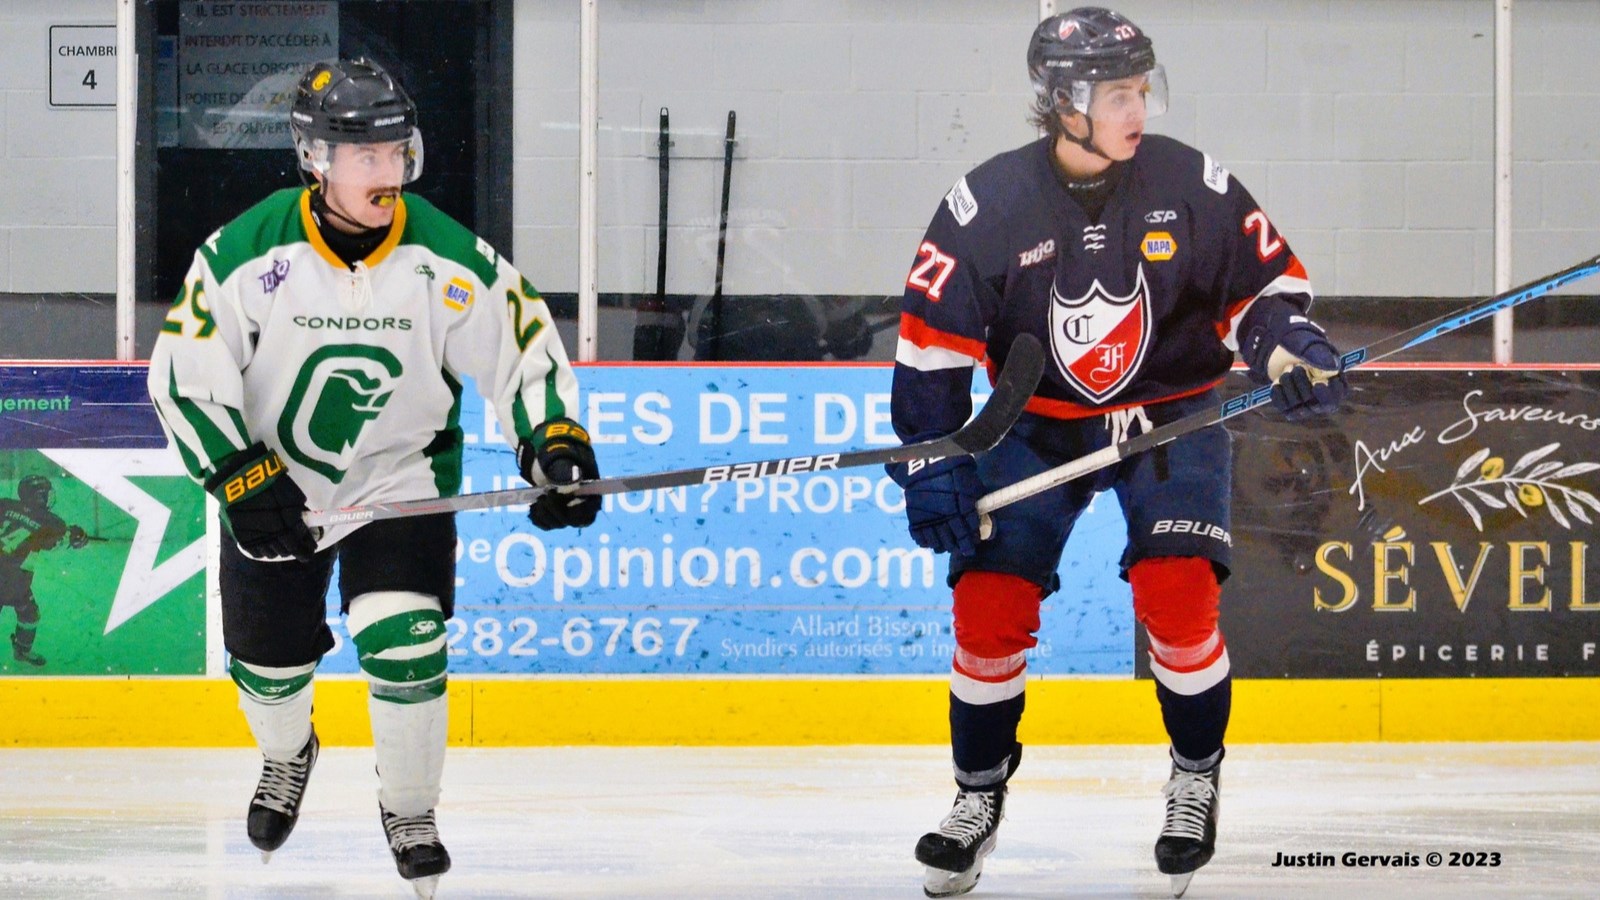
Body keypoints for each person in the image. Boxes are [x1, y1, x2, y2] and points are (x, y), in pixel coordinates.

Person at [886, 9, 1348, 898]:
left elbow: (1263, 294)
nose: (1140, 109)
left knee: (1178, 594)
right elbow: (932, 346)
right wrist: (932, 460)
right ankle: (977, 797)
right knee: (987, 606)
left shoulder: (1192, 182)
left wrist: (1288, 348)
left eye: (1143, 89)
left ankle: (1195, 777)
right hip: (1036, 424)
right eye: (1120, 94)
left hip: (1169, 417)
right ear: (1066, 103)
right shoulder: (986, 203)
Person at [147, 58, 600, 899]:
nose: (389, 172)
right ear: (316, 160)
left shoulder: (445, 255)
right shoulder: (246, 253)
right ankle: (288, 753)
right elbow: (183, 377)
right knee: (268, 668)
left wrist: (554, 443)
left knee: (406, 640)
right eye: (367, 156)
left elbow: (521, 349)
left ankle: (411, 811)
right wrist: (239, 476)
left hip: (401, 483)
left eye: (397, 151)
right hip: (278, 488)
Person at [0, 475, 91, 667]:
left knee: (29, 612)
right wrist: (76, 535)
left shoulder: (5, 504)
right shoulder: (51, 522)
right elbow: (60, 541)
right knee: (29, 614)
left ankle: (23, 650)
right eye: (46, 494)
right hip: (15, 581)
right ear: (38, 497)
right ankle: (22, 650)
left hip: (13, 578)